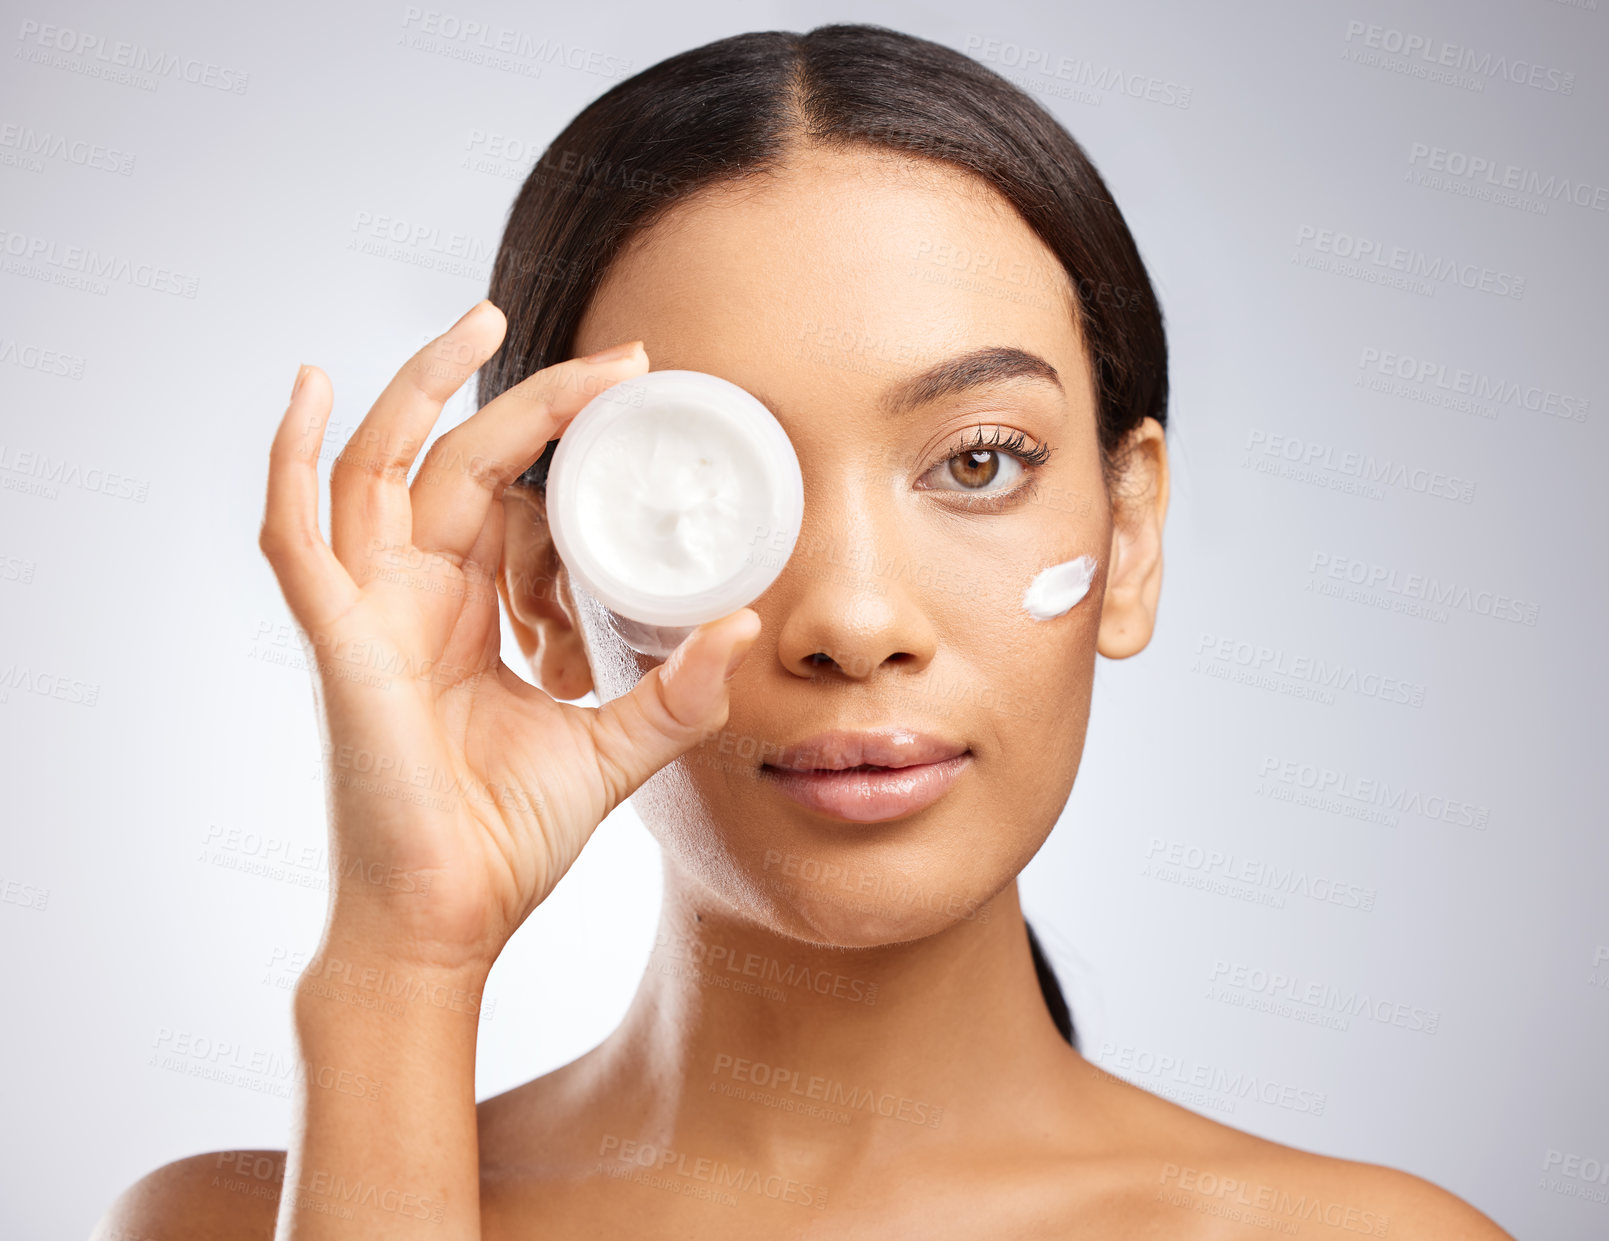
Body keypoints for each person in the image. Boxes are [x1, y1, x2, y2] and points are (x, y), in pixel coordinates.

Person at [96, 24, 1513, 1239]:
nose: (848, 619)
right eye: (701, 478)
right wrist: (399, 971)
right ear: (543, 585)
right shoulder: (250, 1220)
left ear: (1127, 534)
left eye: (977, 460)